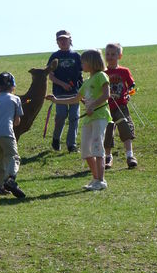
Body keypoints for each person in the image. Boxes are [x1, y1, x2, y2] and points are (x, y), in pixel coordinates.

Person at [46, 49, 112, 191]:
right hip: (88, 119)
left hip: (99, 117)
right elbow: (76, 99)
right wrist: (56, 100)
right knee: (86, 150)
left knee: (97, 147)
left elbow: (107, 95)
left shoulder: (101, 76)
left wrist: (93, 105)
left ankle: (101, 180)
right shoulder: (87, 82)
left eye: (83, 61)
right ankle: (95, 179)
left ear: (92, 62)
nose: (81, 64)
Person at [0, 72, 26, 199]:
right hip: (6, 132)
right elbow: (17, 121)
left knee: (0, 159)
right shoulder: (15, 99)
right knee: (13, 157)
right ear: (13, 87)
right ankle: (10, 179)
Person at [47, 30, 83, 152]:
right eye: (60, 39)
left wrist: (83, 91)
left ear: (70, 40)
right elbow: (50, 76)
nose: (63, 41)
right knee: (61, 116)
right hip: (59, 93)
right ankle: (56, 139)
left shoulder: (76, 56)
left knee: (74, 117)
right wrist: (62, 84)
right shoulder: (54, 56)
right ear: (57, 42)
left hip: (75, 92)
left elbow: (81, 74)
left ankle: (71, 144)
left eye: (65, 39)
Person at [104, 43, 138, 169]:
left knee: (125, 128)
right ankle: (108, 157)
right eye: (107, 54)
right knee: (107, 131)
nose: (110, 56)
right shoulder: (102, 72)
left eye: (113, 54)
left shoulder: (124, 71)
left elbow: (132, 85)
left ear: (120, 56)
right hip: (106, 108)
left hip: (121, 106)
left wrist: (130, 93)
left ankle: (130, 156)